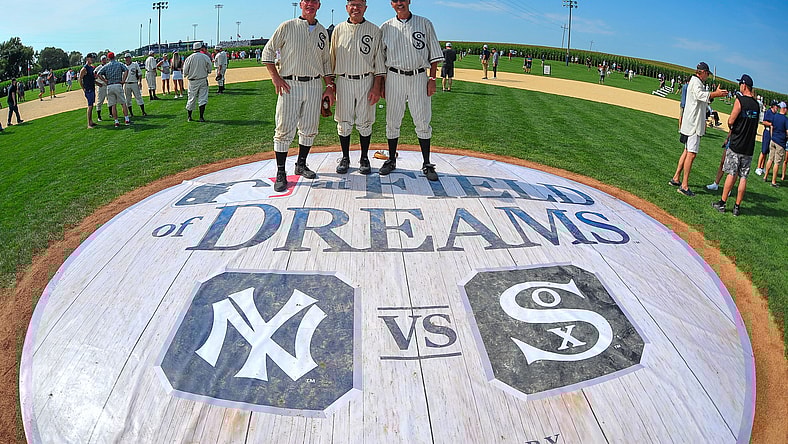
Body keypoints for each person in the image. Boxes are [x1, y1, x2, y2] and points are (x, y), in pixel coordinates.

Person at [262, 0, 335, 192]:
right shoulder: (287, 26)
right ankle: (281, 172)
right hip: (290, 83)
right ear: (301, 4)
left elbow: (326, 61)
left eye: (314, 1)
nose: (310, 4)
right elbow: (268, 51)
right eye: (307, 1)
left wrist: (329, 85)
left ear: (319, 5)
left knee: (310, 127)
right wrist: (275, 77)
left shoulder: (321, 31)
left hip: (313, 84)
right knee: (284, 128)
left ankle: (301, 164)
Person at [379, 0, 443, 181]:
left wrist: (432, 79)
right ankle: (391, 159)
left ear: (408, 1)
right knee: (392, 120)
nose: (400, 3)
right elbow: (381, 58)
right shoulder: (386, 27)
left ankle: (427, 163)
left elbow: (434, 53)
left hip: (418, 76)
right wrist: (383, 83)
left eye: (403, 0)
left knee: (422, 120)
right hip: (394, 77)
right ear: (391, 4)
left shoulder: (424, 23)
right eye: (396, 0)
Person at [330, 0, 385, 175]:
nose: (356, 8)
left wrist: (377, 87)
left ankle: (364, 157)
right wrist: (331, 85)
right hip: (344, 80)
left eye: (360, 4)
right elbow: (331, 59)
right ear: (347, 8)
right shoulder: (338, 30)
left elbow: (379, 61)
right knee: (344, 121)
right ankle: (345, 157)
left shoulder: (374, 30)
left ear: (365, 8)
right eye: (352, 4)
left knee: (365, 121)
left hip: (366, 80)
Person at [669, 61, 727, 196]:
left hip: (691, 123)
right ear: (703, 73)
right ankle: (684, 185)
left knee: (687, 151)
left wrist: (712, 95)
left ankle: (676, 178)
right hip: (693, 124)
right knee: (692, 153)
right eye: (707, 74)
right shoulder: (696, 83)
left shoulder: (696, 83)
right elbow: (701, 96)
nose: (707, 76)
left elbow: (703, 99)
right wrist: (715, 94)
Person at [711, 75, 761, 215]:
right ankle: (737, 207)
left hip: (737, 143)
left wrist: (732, 126)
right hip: (749, 146)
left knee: (732, 173)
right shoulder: (757, 105)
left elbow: (731, 120)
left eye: (740, 84)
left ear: (744, 85)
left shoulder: (740, 101)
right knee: (743, 176)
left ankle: (722, 203)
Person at [95, 51, 131, 127]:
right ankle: (127, 119)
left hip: (109, 86)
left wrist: (104, 80)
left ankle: (116, 121)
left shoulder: (106, 66)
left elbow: (98, 74)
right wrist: (123, 80)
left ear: (108, 58)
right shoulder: (119, 64)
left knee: (113, 105)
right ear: (114, 57)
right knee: (123, 103)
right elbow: (126, 70)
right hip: (118, 84)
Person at [183, 42, 213, 122]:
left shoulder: (189, 58)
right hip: (203, 79)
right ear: (200, 48)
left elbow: (185, 71)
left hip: (192, 81)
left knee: (191, 98)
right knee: (203, 98)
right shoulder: (205, 57)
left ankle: (189, 117)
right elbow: (210, 68)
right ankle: (201, 117)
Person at [762, 102, 787, 187]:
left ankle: (765, 176)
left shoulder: (775, 116)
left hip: (773, 140)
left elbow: (771, 126)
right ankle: (773, 181)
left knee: (770, 159)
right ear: (785, 109)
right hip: (780, 142)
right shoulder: (785, 119)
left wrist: (772, 137)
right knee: (777, 162)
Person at [756, 100, 779, 176]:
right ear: (773, 106)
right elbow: (764, 122)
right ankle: (758, 167)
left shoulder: (776, 114)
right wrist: (772, 124)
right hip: (767, 132)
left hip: (773, 133)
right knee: (763, 151)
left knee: (767, 151)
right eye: (776, 106)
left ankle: (762, 167)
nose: (777, 108)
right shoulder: (769, 112)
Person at [123, 53, 147, 117]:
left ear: (130, 58)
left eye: (128, 58)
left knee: (138, 97)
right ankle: (131, 113)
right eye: (126, 58)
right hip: (126, 83)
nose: (127, 59)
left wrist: (140, 82)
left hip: (134, 83)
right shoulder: (123, 66)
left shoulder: (135, 64)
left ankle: (143, 111)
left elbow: (140, 73)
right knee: (128, 99)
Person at [78, 52, 97, 128]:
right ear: (87, 59)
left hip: (92, 87)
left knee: (92, 105)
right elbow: (80, 79)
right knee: (90, 106)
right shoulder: (84, 68)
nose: (92, 59)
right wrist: (83, 88)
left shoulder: (91, 68)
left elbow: (92, 78)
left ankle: (91, 121)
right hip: (88, 89)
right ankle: (89, 123)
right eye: (91, 58)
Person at [95, 55, 109, 121]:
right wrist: (97, 83)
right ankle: (99, 116)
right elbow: (93, 76)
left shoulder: (109, 66)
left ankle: (111, 113)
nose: (104, 60)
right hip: (101, 86)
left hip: (108, 85)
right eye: (103, 59)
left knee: (110, 99)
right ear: (101, 61)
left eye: (105, 59)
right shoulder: (98, 68)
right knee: (100, 101)